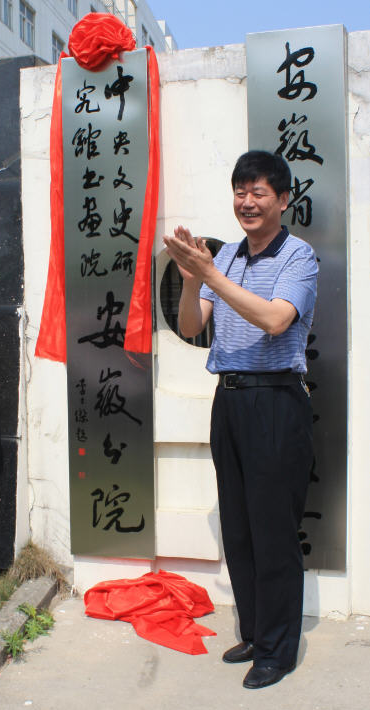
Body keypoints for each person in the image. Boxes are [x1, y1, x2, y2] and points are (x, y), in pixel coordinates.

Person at [163, 151, 318, 689]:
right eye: (240, 191)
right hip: (228, 401)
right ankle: (254, 632)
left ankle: (278, 650)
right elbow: (191, 327)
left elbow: (276, 319)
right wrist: (191, 279)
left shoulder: (300, 256)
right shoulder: (223, 256)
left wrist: (209, 272)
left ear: (283, 199)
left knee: (274, 530)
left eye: (259, 193)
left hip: (275, 401)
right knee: (241, 526)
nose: (247, 202)